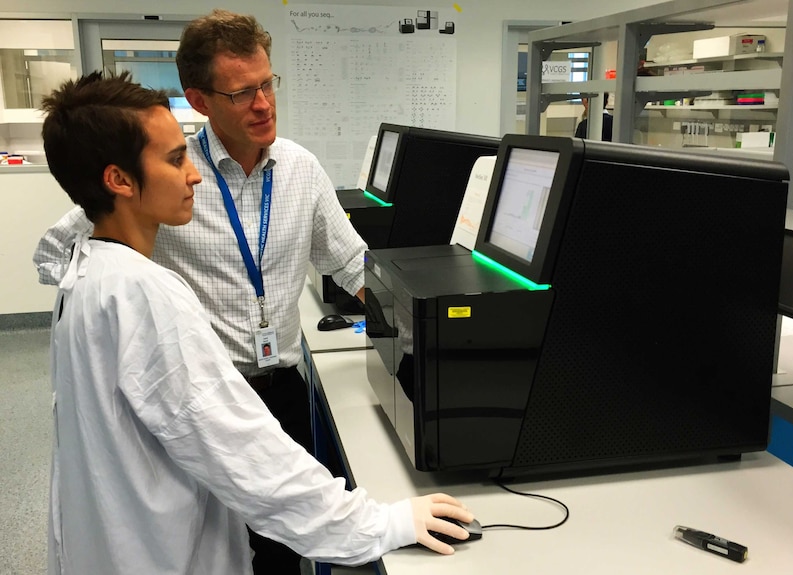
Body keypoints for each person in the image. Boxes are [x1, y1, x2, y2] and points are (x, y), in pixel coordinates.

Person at [41, 70, 473, 575]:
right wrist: (381, 524)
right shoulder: (144, 296)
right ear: (118, 180)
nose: (195, 174)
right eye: (176, 159)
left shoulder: (91, 274)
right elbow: (247, 458)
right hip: (162, 552)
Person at [33, 10, 369, 574]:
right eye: (242, 93)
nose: (263, 104)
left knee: (281, 550)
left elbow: (354, 265)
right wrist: (127, 295)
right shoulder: (165, 172)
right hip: (196, 396)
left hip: (279, 387)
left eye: (267, 84)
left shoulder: (301, 170)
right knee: (209, 541)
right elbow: (65, 247)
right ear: (202, 100)